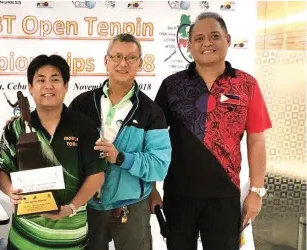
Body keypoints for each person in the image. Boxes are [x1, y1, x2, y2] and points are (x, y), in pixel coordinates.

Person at [154, 12, 272, 250]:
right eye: (198, 38)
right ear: (189, 46)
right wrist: (149, 189)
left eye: (214, 36)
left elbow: (256, 140)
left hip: (224, 197)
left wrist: (256, 191)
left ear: (227, 39)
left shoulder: (246, 84)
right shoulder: (171, 85)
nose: (206, 43)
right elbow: (151, 139)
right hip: (178, 196)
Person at [69, 33, 172, 250]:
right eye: (116, 56)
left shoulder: (151, 112)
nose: (123, 63)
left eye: (131, 58)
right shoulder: (81, 104)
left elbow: (159, 166)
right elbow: (64, 149)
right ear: (106, 61)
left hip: (132, 208)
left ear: (140, 63)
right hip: (87, 205)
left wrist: (121, 158)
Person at [0, 54, 106, 250]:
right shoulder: (17, 128)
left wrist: (71, 208)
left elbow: (97, 175)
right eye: (40, 80)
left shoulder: (84, 127)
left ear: (66, 85)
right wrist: (9, 190)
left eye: (55, 79)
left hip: (71, 239)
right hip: (24, 239)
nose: (48, 86)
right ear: (30, 87)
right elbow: (1, 171)